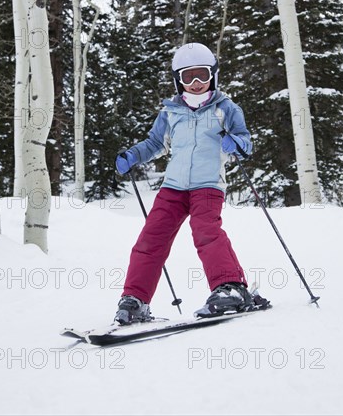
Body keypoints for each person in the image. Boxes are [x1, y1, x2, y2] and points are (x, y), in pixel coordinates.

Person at [114, 42, 269, 324]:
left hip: (208, 185)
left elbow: (245, 142)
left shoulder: (226, 108)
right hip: (173, 187)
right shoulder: (171, 112)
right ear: (178, 79)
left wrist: (233, 142)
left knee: (206, 231)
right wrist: (134, 154)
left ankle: (229, 287)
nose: (196, 83)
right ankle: (134, 299)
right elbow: (155, 143)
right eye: (189, 76)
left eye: (203, 75)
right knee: (151, 238)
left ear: (213, 75)